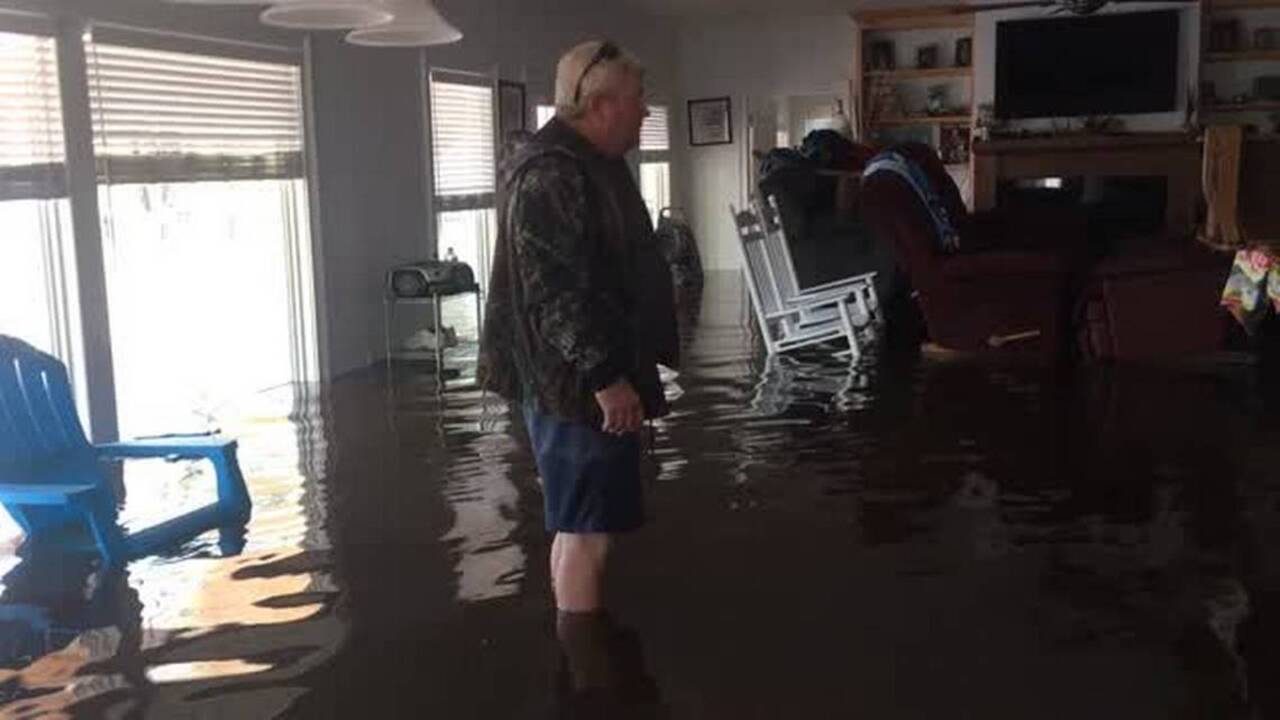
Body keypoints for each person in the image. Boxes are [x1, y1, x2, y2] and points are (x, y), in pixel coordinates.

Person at [477, 39, 677, 636]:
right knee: (587, 531)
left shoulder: (592, 160)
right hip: (575, 388)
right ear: (600, 104)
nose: (645, 110)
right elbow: (554, 293)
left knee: (580, 523)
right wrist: (606, 378)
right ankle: (589, 674)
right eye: (638, 99)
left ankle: (580, 659)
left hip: (587, 380)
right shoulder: (552, 174)